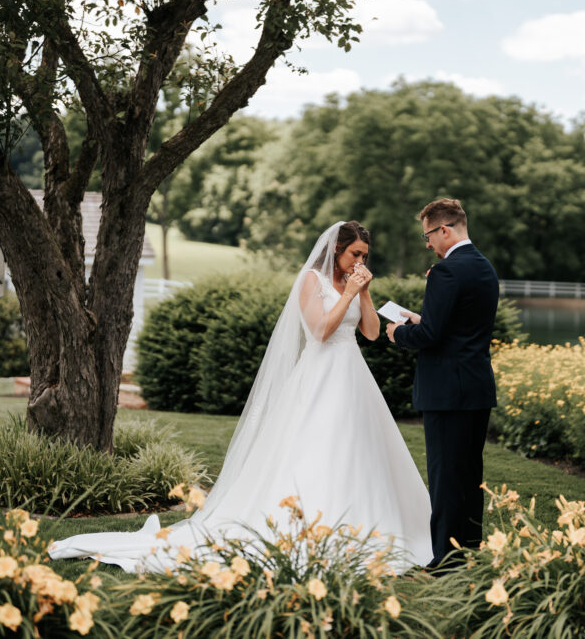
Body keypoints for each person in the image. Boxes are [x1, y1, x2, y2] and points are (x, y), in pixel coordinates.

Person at [49, 221, 433, 573]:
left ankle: (364, 521)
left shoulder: (354, 284)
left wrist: (362, 293)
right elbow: (319, 331)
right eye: (355, 254)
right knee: (319, 448)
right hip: (320, 375)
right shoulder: (311, 281)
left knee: (358, 448)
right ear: (337, 250)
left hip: (352, 376)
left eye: (365, 256)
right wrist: (347, 293)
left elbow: (368, 333)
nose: (360, 260)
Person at [385, 199, 498, 570]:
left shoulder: (446, 272)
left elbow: (431, 337)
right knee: (469, 476)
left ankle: (446, 561)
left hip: (448, 392)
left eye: (428, 236)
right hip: (476, 388)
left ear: (444, 230)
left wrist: (399, 333)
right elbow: (459, 328)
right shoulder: (484, 267)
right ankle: (469, 550)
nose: (428, 245)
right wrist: (422, 318)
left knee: (446, 478)